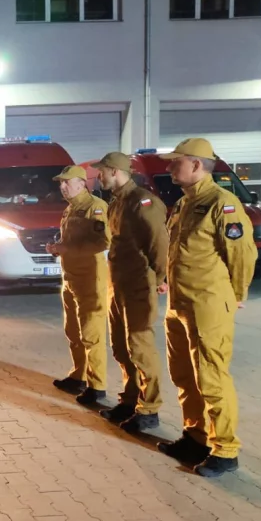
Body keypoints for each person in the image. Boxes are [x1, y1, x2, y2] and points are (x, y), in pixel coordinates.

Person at [157, 138, 257, 477]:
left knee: (212, 376)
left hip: (208, 305)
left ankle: (225, 449)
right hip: (180, 303)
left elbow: (242, 253)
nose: (169, 168)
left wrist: (238, 293)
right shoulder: (185, 204)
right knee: (185, 375)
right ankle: (195, 436)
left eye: (176, 162)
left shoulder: (222, 204)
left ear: (197, 165)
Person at [92, 152, 168, 434]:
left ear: (114, 171)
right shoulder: (118, 202)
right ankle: (130, 398)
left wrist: (158, 277)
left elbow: (158, 243)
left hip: (138, 283)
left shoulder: (142, 201)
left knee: (140, 346)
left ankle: (149, 408)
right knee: (123, 347)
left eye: (102, 171)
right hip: (119, 283)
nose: (99, 176)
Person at [47, 165, 110, 407]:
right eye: (60, 183)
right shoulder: (71, 208)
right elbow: (70, 241)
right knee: (73, 332)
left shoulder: (95, 207)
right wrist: (57, 248)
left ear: (82, 183)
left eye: (66, 182)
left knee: (91, 335)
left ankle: (98, 386)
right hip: (71, 278)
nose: (62, 187)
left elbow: (102, 242)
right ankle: (78, 376)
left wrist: (67, 249)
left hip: (89, 279)